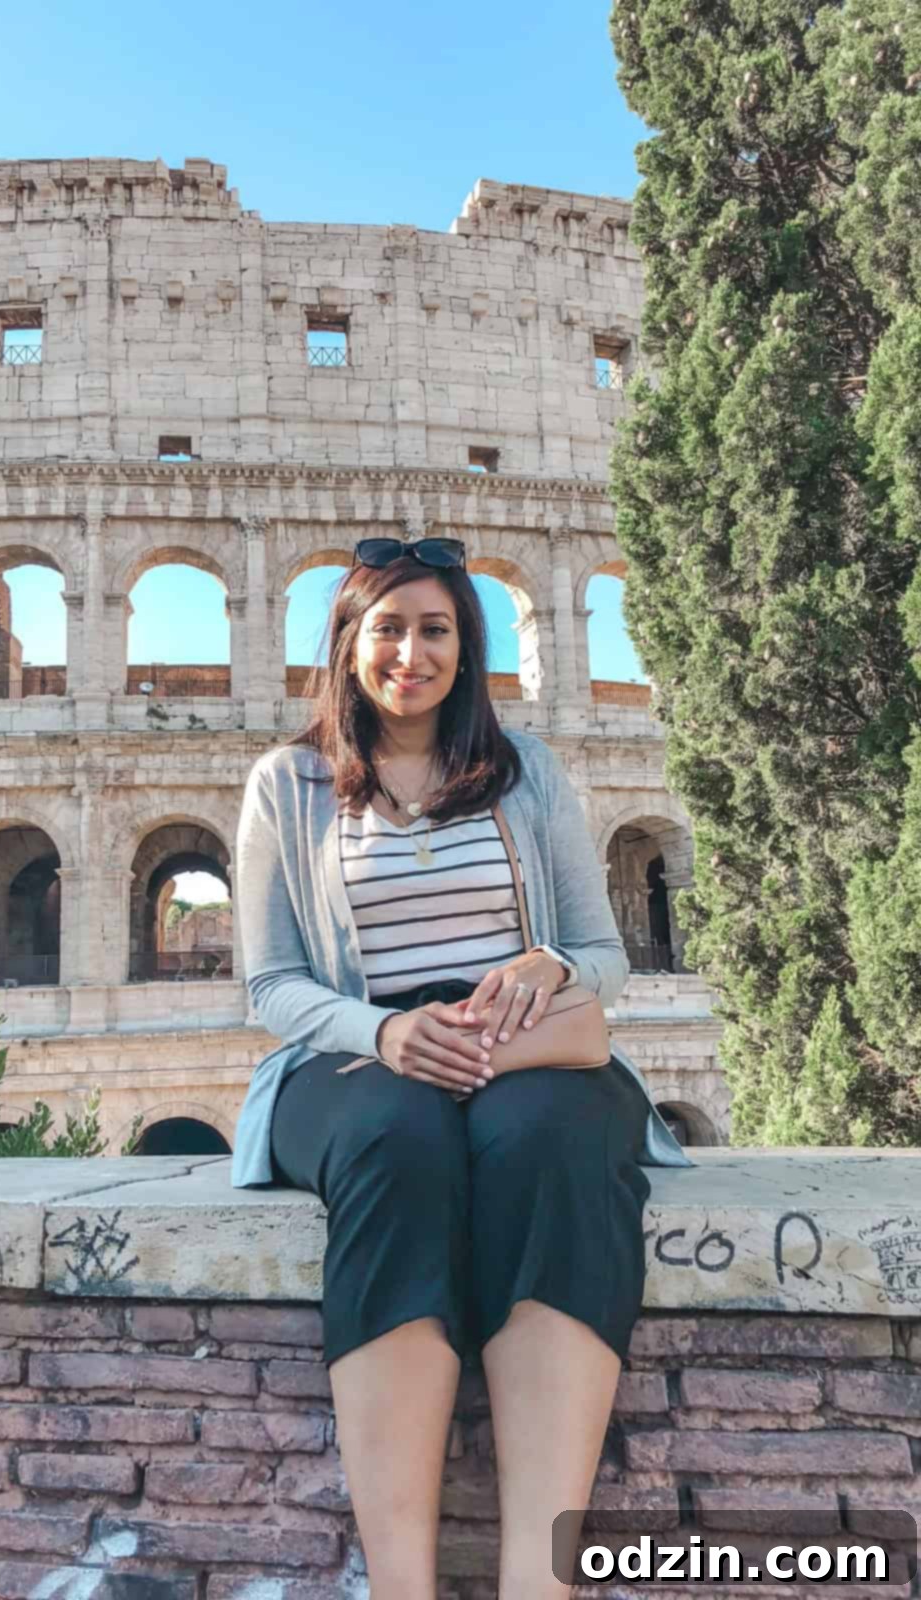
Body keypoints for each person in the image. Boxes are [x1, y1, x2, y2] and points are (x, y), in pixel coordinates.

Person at [231, 536, 695, 1599]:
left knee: (548, 1141)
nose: (412, 651)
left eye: (435, 628)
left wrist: (546, 961)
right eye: (388, 627)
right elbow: (273, 987)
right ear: (349, 643)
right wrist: (383, 1034)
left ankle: (542, 1578)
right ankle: (404, 1586)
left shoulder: (526, 771)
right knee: (399, 1143)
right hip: (356, 1056)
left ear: (466, 646)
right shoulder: (288, 783)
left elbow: (602, 955)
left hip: (518, 1041)